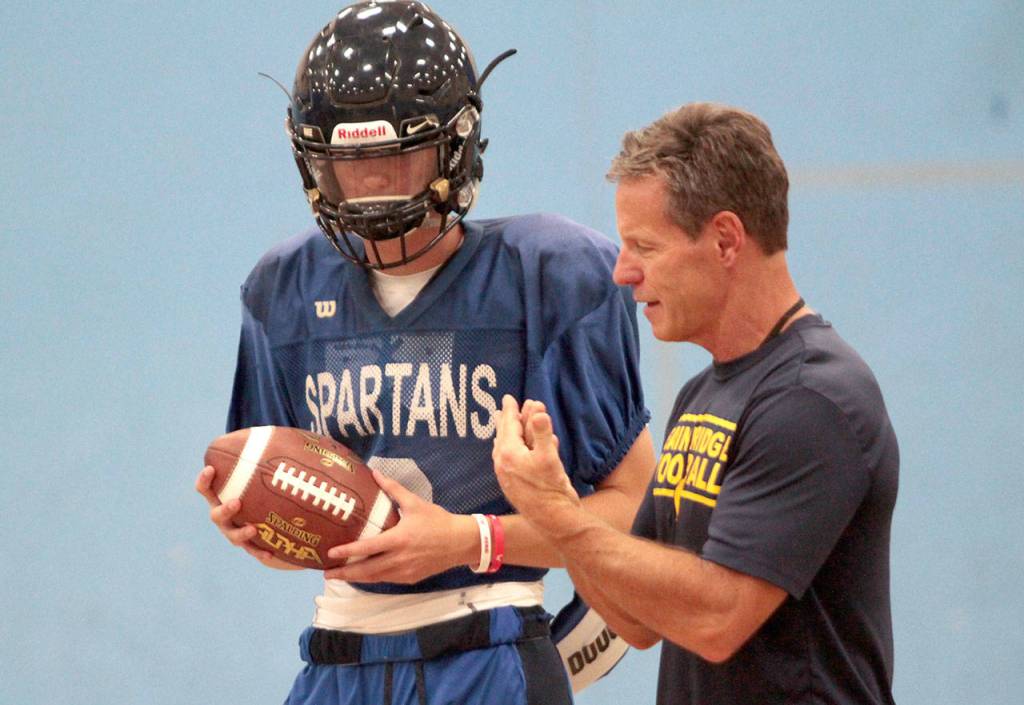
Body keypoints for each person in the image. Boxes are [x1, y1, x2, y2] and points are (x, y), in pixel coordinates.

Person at [194, 2, 656, 704]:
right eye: (351, 163)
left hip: (486, 645)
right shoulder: (282, 289)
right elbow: (312, 516)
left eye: (397, 154)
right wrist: (267, 527)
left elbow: (638, 516)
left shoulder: (550, 274)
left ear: (456, 145)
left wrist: (472, 540)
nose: (374, 184)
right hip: (335, 660)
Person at [493, 102, 899, 705]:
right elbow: (637, 620)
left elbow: (718, 619)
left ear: (726, 240)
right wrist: (555, 502)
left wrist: (555, 515)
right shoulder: (702, 395)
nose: (622, 272)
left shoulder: (815, 399)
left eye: (644, 247)